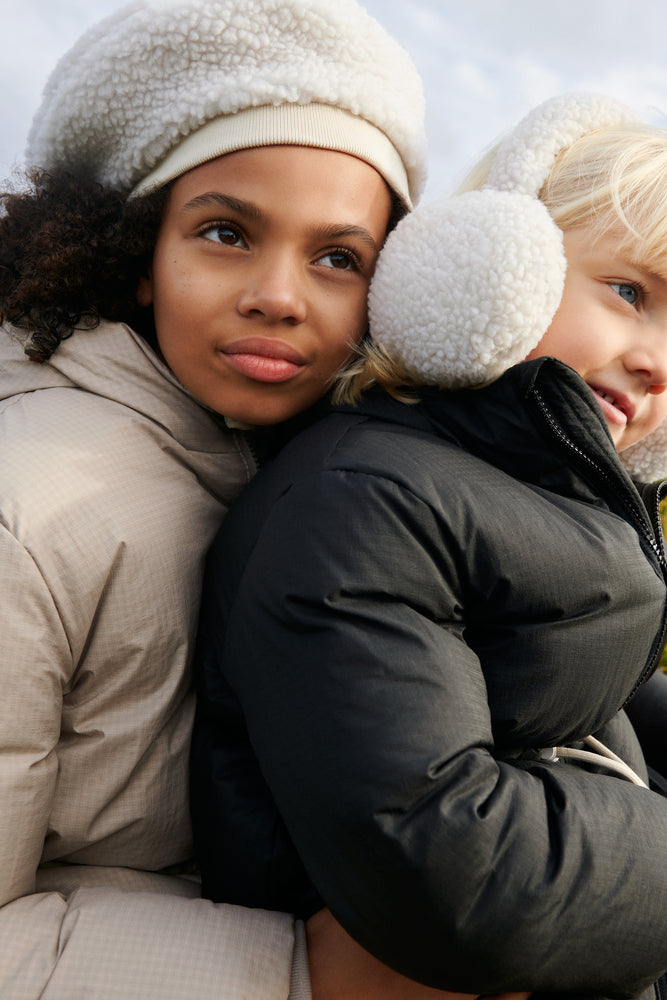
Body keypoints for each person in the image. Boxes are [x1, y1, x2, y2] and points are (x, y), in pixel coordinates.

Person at [191, 93, 667, 1000]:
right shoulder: (365, 497)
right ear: (494, 264)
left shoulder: (522, 490)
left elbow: (596, 693)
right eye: (628, 292)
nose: (655, 358)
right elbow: (455, 859)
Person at [0, 0, 427, 996]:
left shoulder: (313, 476)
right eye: (227, 232)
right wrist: (296, 973)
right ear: (138, 254)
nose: (281, 294)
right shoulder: (27, 508)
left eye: (337, 257)